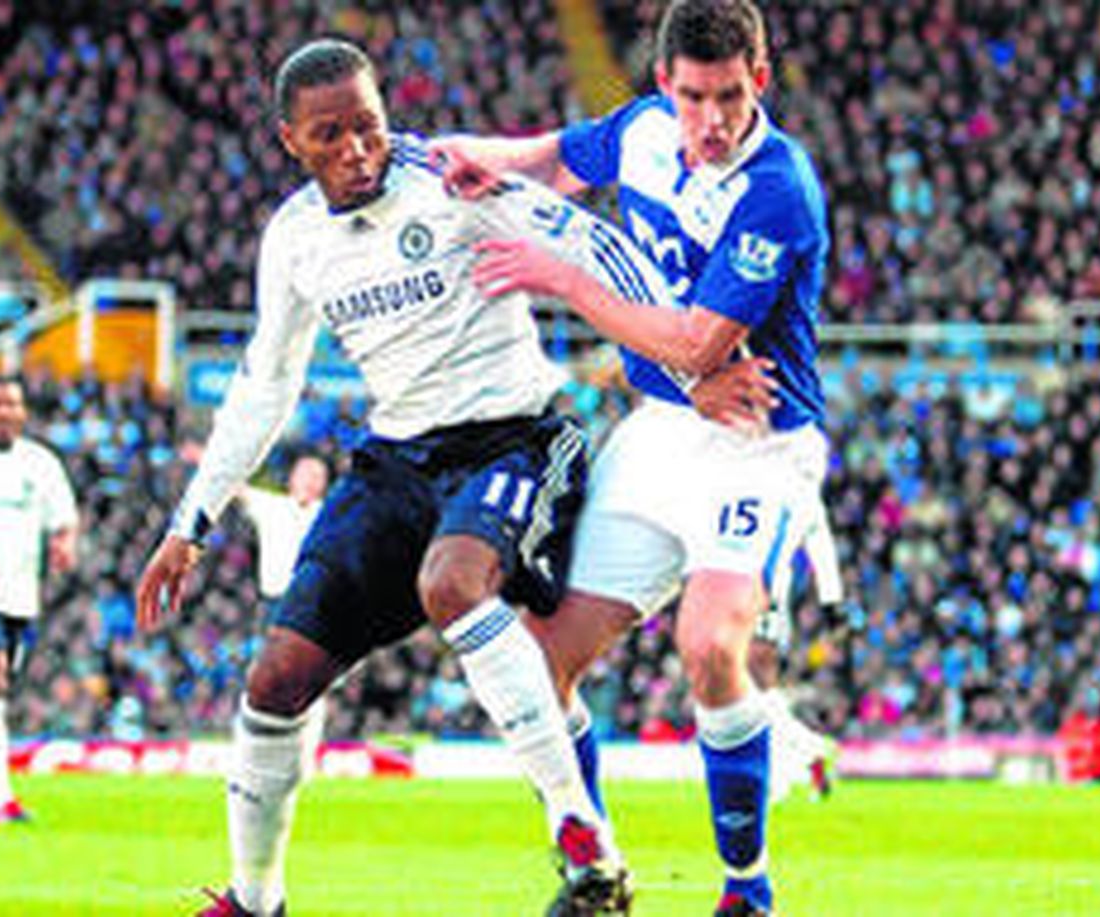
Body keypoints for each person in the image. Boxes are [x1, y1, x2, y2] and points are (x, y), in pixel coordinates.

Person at [135, 38, 764, 917]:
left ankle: (588, 850)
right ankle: (254, 899)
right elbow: (265, 383)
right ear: (290, 141)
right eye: (331, 137)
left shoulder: (454, 178)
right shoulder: (295, 239)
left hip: (516, 440)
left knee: (453, 583)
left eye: (369, 126)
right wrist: (189, 523)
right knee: (274, 677)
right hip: (397, 460)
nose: (358, 150)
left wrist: (696, 366)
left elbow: (598, 247)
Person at [438, 2, 829, 911]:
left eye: (730, 96)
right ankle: (598, 867)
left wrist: (565, 279)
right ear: (665, 86)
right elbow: (557, 158)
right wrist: (462, 154)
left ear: (759, 82)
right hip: (657, 434)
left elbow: (698, 343)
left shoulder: (779, 186)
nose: (713, 120)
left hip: (755, 446)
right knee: (540, 660)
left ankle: (747, 887)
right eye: (694, 97)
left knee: (708, 643)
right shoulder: (646, 131)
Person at [0, 374, 78, 824]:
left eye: (11, 404)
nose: (3, 412)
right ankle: (1, 800)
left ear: (23, 413)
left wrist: (64, 543)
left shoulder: (41, 464)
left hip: (21, 596)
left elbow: (64, 517)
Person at [751, 500, 840, 804]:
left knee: (751, 686)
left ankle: (790, 766)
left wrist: (831, 600)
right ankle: (799, 759)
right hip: (760, 589)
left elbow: (817, 539)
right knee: (752, 692)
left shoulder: (784, 488)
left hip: (762, 590)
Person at [236, 454, 330, 602]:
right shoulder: (271, 506)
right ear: (292, 477)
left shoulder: (327, 515)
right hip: (270, 600)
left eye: (317, 476)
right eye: (305, 474)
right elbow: (236, 489)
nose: (310, 480)